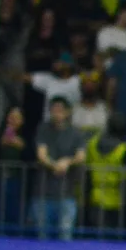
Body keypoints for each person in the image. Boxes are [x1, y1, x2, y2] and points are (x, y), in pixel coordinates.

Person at [33, 97, 87, 240]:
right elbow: (41, 154)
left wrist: (67, 162)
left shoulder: (76, 133)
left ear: (68, 112)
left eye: (60, 110)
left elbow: (81, 156)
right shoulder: (44, 129)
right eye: (54, 110)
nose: (57, 113)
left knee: (65, 234)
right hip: (43, 192)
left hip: (67, 193)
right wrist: (54, 165)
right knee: (42, 235)